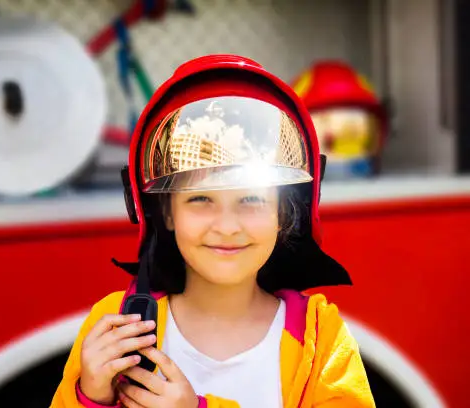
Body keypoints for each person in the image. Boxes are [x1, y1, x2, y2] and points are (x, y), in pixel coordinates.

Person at [50, 54, 375, 407]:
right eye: (201, 199)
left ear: (283, 213)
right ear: (167, 214)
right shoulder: (120, 325)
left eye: (250, 199)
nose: (227, 226)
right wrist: (92, 398)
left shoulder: (320, 336)